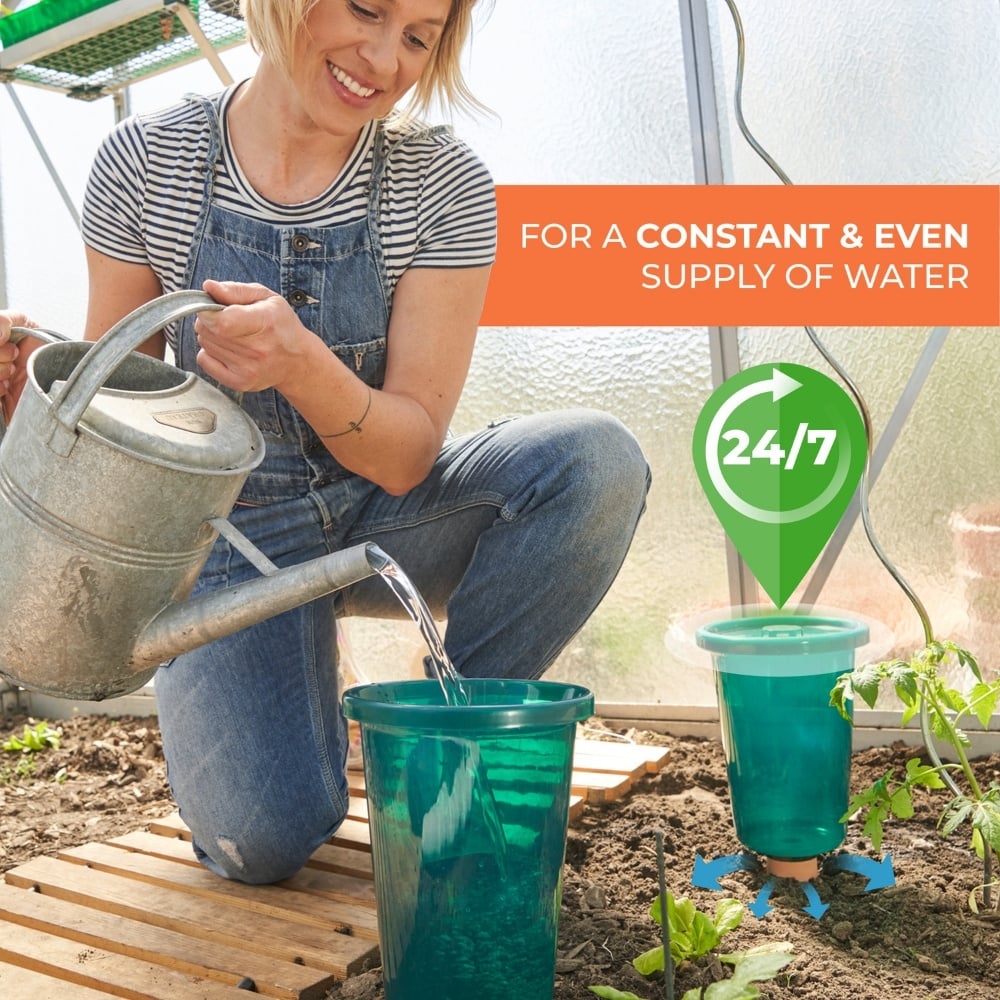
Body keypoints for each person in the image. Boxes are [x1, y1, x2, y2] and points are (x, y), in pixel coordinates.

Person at [0, 0, 650, 885]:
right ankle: (292, 683)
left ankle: (449, 746)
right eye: (366, 10)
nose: (384, 59)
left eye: (420, 36)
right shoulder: (147, 163)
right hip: (224, 537)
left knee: (592, 462)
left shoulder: (441, 184)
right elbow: (119, 417)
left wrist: (301, 362)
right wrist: (35, 410)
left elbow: (408, 453)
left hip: (386, 506)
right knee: (264, 841)